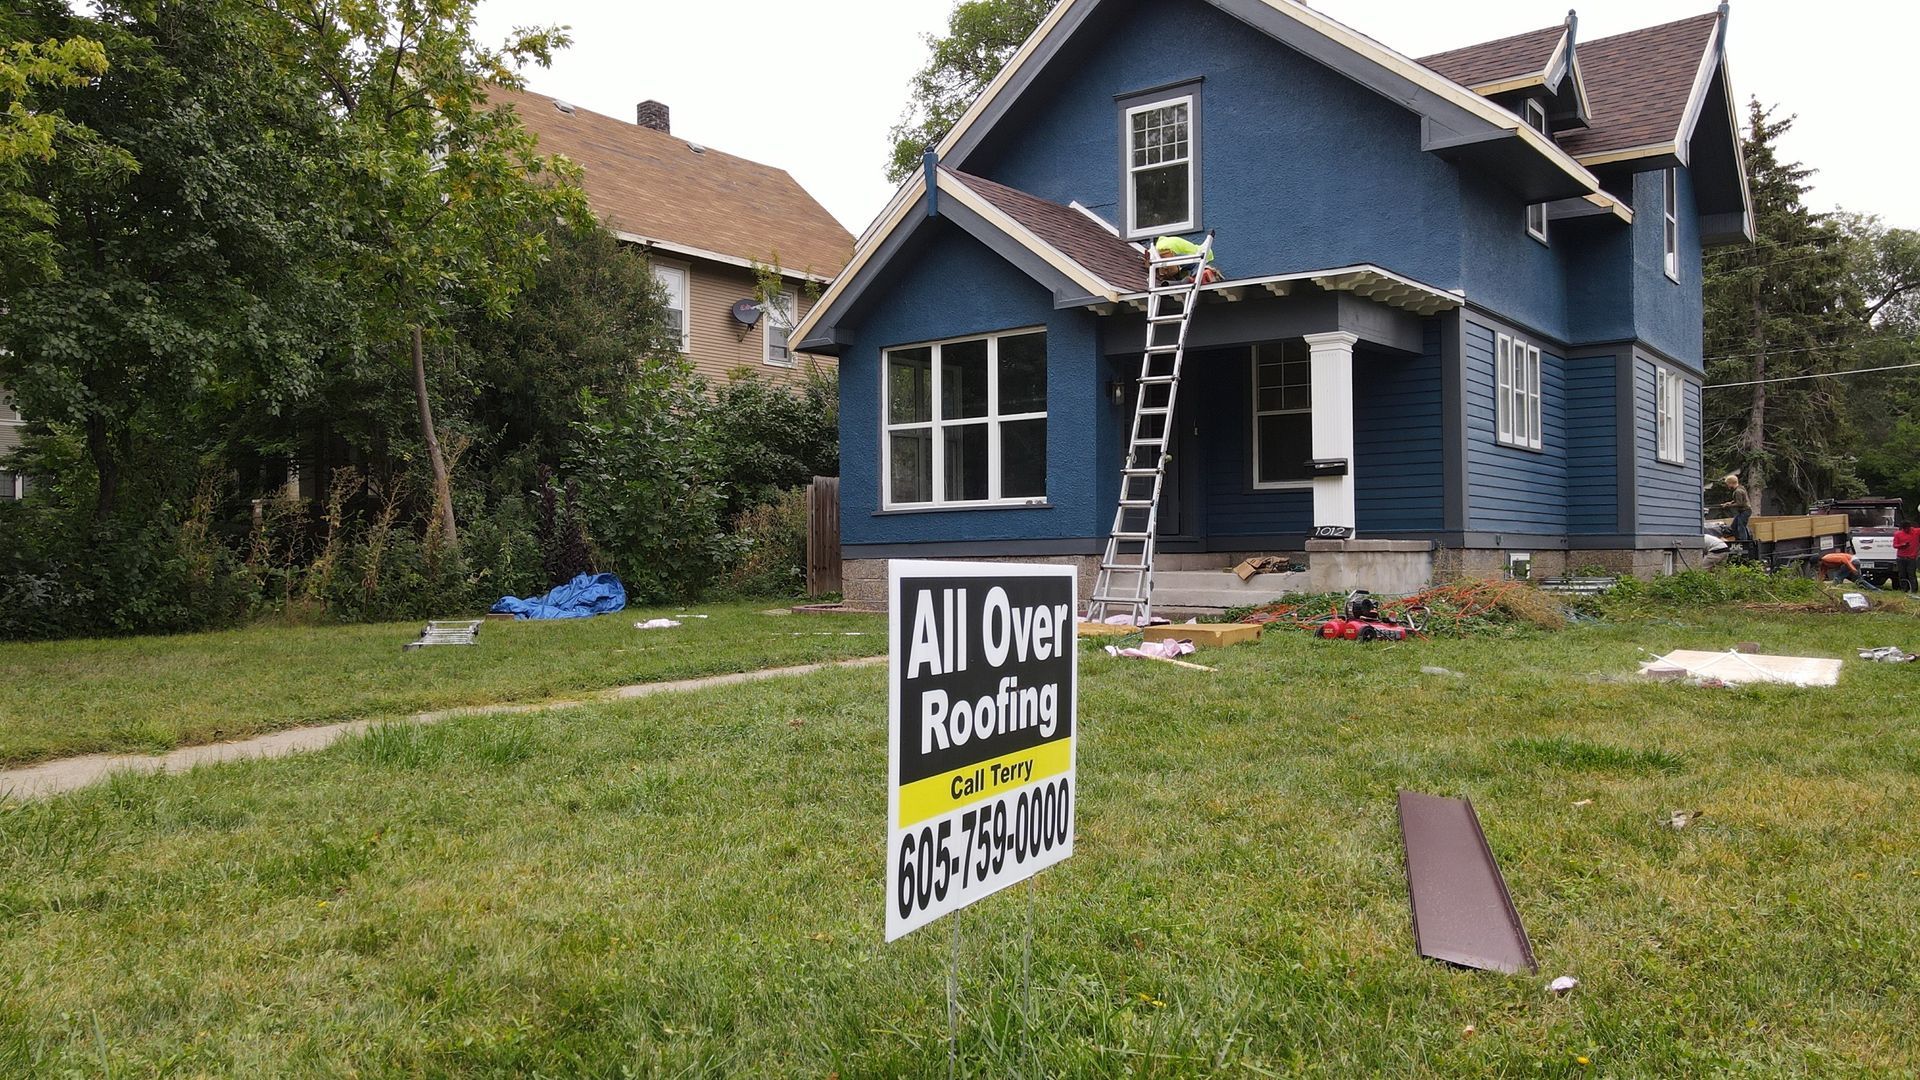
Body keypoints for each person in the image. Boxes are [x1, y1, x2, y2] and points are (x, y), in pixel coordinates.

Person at [1146, 235, 1222, 286]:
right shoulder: (1197, 253)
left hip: (1159, 248)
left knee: (1171, 268)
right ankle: (1194, 278)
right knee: (1196, 264)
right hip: (1169, 249)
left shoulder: (1190, 248)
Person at [1717, 473, 1753, 542]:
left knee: (1741, 526)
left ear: (1731, 483)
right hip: (1743, 511)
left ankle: (1744, 542)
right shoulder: (1740, 488)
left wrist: (1728, 506)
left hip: (1745, 511)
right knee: (1734, 526)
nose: (1727, 486)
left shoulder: (1738, 491)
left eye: (1728, 484)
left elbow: (1740, 503)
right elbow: (1737, 500)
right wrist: (1729, 502)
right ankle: (1738, 539)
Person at [1894, 518, 1920, 593]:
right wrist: (1902, 545)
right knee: (1902, 574)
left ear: (1910, 527)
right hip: (1901, 557)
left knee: (1911, 574)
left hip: (1911, 557)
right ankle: (1904, 589)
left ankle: (1914, 590)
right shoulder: (1898, 534)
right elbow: (1895, 545)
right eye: (1905, 529)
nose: (1906, 530)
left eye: (1908, 528)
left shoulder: (1916, 531)